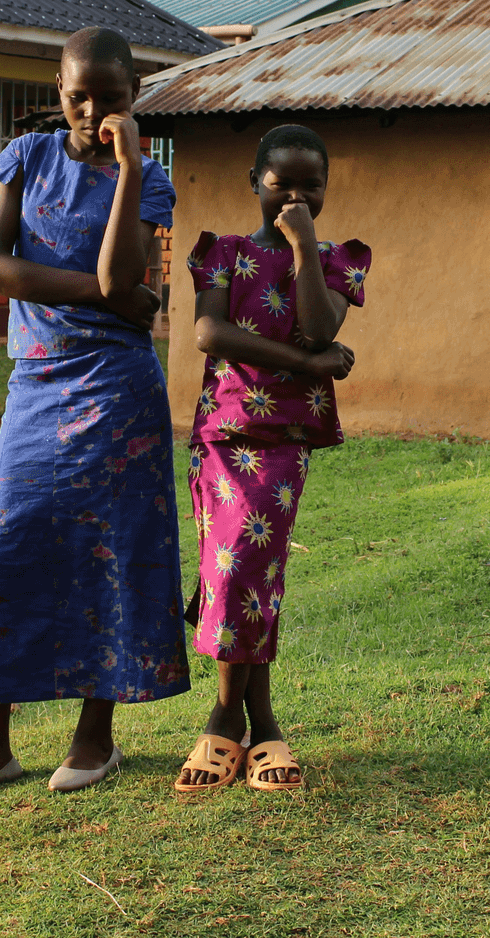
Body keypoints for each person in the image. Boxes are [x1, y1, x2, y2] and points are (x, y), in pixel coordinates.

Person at [0, 27, 191, 815]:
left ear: (137, 97)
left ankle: (94, 735)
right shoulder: (25, 158)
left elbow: (125, 273)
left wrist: (130, 168)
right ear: (58, 86)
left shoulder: (150, 176)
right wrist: (102, 293)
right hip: (37, 381)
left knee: (112, 549)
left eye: (114, 97)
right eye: (79, 95)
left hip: (119, 389)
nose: (94, 110)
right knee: (8, 543)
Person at [173, 123, 370, 794]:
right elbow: (210, 332)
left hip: (284, 443)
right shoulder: (222, 253)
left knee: (251, 569)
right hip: (223, 437)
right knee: (233, 571)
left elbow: (321, 325)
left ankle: (231, 717)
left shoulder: (338, 259)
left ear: (326, 189)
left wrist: (305, 249)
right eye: (279, 182)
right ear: (254, 182)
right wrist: (307, 363)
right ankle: (255, 718)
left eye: (310, 185)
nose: (294, 196)